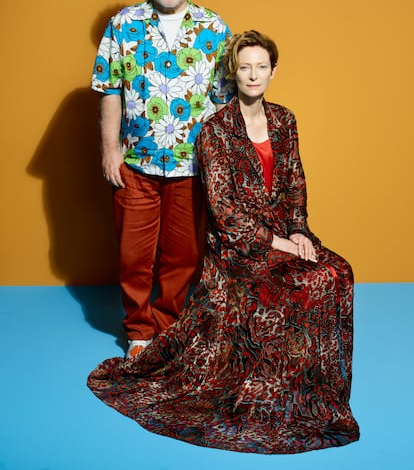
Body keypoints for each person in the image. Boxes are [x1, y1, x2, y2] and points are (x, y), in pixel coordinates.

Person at [88, 30, 360, 453]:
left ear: (273, 71)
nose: (253, 75)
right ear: (234, 72)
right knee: (311, 280)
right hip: (237, 248)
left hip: (284, 232)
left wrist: (299, 231)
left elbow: (295, 183)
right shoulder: (215, 130)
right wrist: (279, 244)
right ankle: (265, 387)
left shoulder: (285, 120)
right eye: (245, 67)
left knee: (339, 271)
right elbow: (223, 211)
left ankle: (310, 393)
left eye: (261, 67)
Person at [91, 0, 234, 358]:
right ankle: (139, 332)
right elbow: (109, 89)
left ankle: (168, 328)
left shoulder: (214, 28)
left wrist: (220, 161)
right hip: (135, 163)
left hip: (192, 166)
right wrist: (109, 150)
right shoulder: (123, 25)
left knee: (183, 256)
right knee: (133, 255)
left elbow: (223, 101)